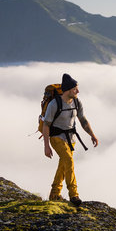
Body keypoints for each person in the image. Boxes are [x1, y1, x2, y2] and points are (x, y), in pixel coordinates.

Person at [42, 73, 98, 206]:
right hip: (56, 137)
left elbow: (83, 120)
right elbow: (46, 125)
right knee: (68, 161)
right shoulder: (54, 104)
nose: (78, 91)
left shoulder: (77, 102)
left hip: (71, 138)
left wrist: (92, 135)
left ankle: (54, 194)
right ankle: (74, 195)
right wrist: (46, 146)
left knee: (64, 165)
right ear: (68, 90)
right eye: (75, 89)